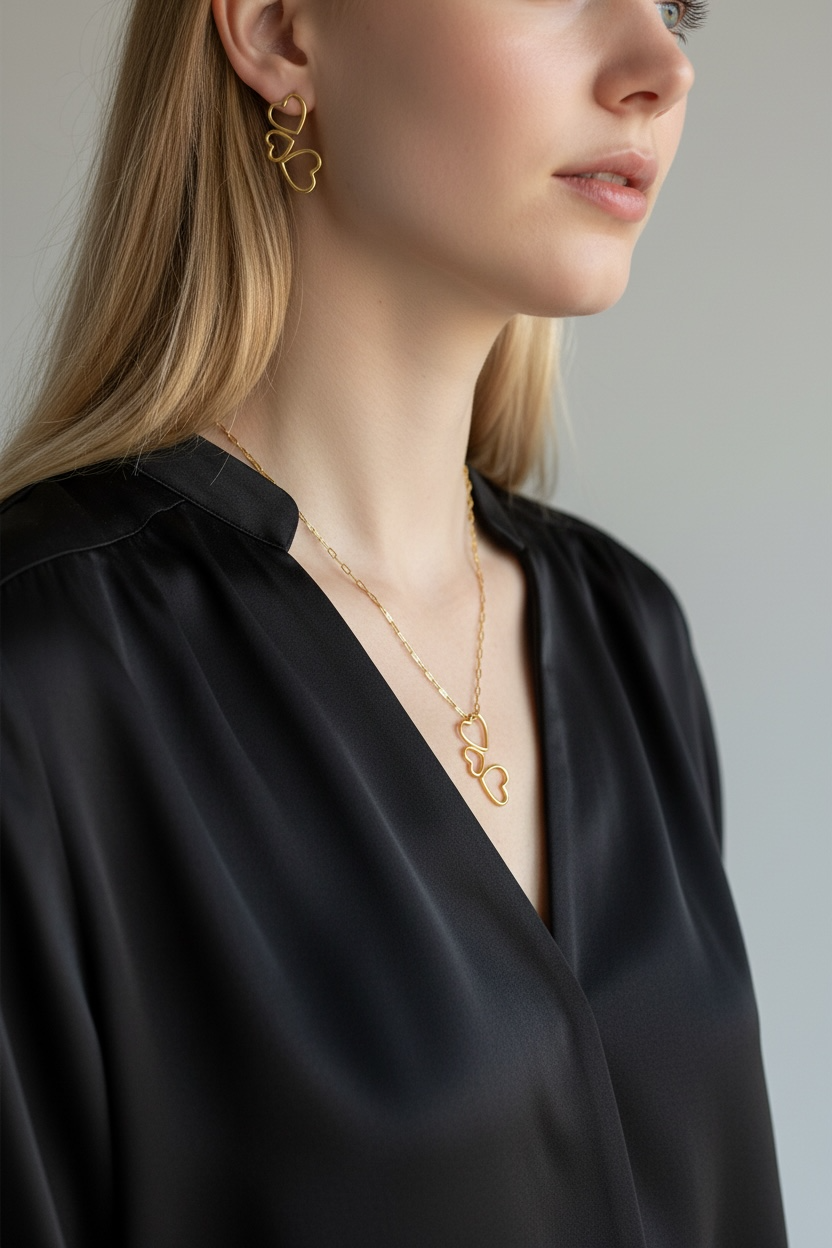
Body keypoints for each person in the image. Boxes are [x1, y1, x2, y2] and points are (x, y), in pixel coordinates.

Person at [1, 0, 788, 1244]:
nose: (659, 69)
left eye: (679, 6)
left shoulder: (627, 633)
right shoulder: (41, 677)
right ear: (277, 32)